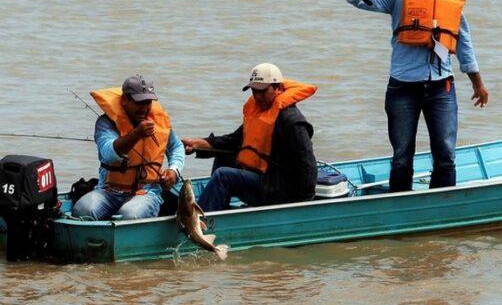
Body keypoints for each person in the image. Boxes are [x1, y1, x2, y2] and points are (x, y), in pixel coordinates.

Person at [335, 0, 489, 192]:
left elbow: (464, 44)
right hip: (403, 88)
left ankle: (442, 207)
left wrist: (478, 84)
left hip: (442, 87)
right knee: (402, 157)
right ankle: (399, 206)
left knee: (446, 156)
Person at [182, 63, 318, 211]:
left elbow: (307, 164)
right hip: (265, 177)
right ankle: (219, 209)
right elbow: (234, 141)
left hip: (280, 190)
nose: (258, 97)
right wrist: (197, 144)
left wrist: (303, 204)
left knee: (223, 176)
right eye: (254, 91)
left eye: (263, 91)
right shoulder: (260, 113)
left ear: (278, 88)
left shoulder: (291, 121)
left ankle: (200, 220)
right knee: (223, 159)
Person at [71, 74, 185, 220]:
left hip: (147, 192)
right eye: (139, 103)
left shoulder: (158, 122)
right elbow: (108, 153)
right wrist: (136, 134)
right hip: (109, 191)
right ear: (125, 99)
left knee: (129, 214)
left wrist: (173, 170)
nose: (144, 108)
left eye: (148, 103)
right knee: (82, 210)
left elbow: (176, 147)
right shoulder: (106, 123)